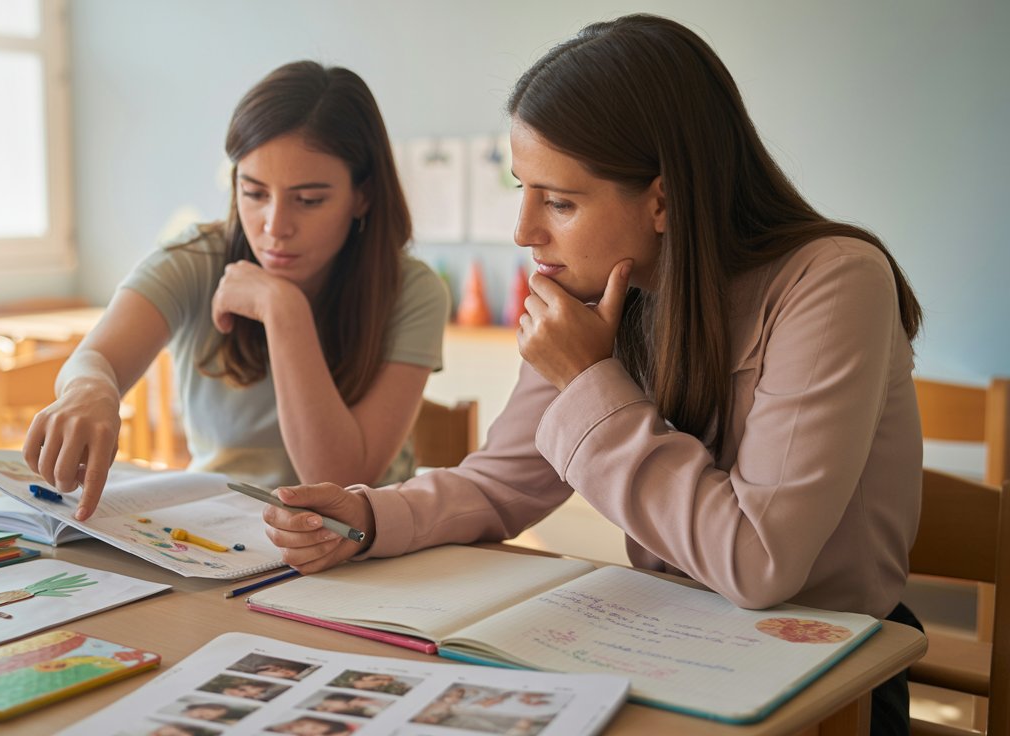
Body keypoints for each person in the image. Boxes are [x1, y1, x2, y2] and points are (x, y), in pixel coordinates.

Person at [261, 14, 922, 736]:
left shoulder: (835, 281)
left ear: (663, 199)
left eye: (561, 201)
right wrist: (370, 516)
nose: (523, 230)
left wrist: (589, 379)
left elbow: (759, 562)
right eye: (523, 188)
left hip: (826, 681)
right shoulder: (602, 286)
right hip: (668, 648)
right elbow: (504, 482)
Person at [25, 60, 449, 521]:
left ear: (362, 195)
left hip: (364, 545)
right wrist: (90, 387)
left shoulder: (413, 290)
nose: (275, 226)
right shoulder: (195, 260)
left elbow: (337, 481)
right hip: (219, 533)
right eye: (254, 192)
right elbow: (95, 357)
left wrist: (282, 309)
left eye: (309, 200)